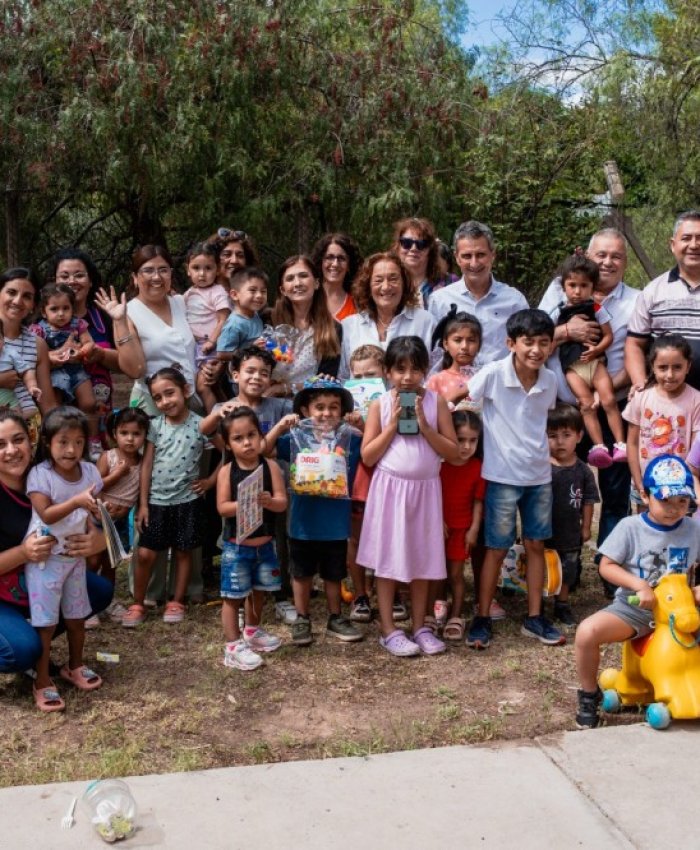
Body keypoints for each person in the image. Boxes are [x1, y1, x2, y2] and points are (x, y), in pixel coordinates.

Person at [540, 228, 637, 591]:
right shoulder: (559, 291)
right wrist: (566, 330)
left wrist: (608, 390)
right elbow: (533, 343)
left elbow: (637, 353)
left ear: (625, 263)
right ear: (587, 257)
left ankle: (611, 572)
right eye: (601, 255)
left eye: (616, 256)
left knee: (614, 493)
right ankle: (562, 570)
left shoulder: (636, 301)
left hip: (612, 405)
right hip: (561, 412)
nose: (607, 262)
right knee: (560, 492)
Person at [574, 454, 700, 729]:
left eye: (682, 501)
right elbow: (606, 566)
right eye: (665, 500)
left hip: (680, 613)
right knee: (587, 632)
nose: (674, 509)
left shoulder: (694, 529)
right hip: (635, 610)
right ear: (644, 494)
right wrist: (639, 585)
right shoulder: (630, 527)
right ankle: (588, 694)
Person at [466, 309, 565, 650]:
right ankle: (481, 616)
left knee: (536, 545)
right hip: (501, 476)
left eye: (543, 343)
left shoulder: (550, 380)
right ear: (511, 343)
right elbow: (460, 402)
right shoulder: (493, 374)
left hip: (539, 477)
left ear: (551, 345)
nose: (536, 350)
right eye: (528, 342)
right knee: (496, 548)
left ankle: (535, 616)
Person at [357, 336, 459, 657]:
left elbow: (454, 453)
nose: (407, 377)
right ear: (387, 371)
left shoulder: (436, 402)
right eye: (400, 370)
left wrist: (427, 427)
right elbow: (368, 456)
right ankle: (388, 629)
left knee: (422, 558)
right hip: (390, 491)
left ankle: (420, 626)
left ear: (426, 371)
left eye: (415, 370)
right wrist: (391, 426)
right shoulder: (381, 404)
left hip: (426, 492)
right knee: (388, 561)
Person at [0, 411, 109, 684]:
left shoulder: (50, 474)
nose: (12, 451)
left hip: (41, 574)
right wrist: (23, 553)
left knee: (99, 591)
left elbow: (88, 516)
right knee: (22, 650)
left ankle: (43, 645)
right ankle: (26, 646)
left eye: (18, 440)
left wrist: (98, 538)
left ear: (33, 440)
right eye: (0, 444)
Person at [123, 368, 220, 627]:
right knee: (145, 554)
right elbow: (146, 466)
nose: (165, 401)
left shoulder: (200, 424)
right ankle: (138, 603)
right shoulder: (154, 427)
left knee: (183, 552)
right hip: (155, 502)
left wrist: (210, 481)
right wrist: (142, 504)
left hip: (187, 501)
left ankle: (177, 600)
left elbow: (228, 452)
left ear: (185, 391)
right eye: (158, 397)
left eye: (170, 393)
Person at [25, 407, 104, 711]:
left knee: (76, 617)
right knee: (45, 625)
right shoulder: (40, 474)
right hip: (45, 559)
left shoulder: (91, 472)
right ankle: (42, 680)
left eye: (79, 442)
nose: (72, 450)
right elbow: (46, 513)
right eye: (63, 442)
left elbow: (93, 510)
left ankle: (75, 666)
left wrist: (95, 513)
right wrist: (76, 501)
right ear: (47, 442)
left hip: (74, 558)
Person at [275, 376, 363, 645]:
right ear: (305, 411)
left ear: (343, 411)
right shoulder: (294, 438)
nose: (326, 413)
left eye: (334, 407)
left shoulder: (350, 438)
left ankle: (335, 617)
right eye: (319, 407)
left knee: (334, 573)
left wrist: (362, 424)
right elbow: (265, 450)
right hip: (302, 521)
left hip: (336, 523)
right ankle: (302, 618)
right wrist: (280, 426)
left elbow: (373, 447)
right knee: (301, 573)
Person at [217, 407, 287, 671]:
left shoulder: (270, 466)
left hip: (265, 545)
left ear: (261, 436)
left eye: (252, 435)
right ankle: (233, 646)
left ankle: (252, 631)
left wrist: (270, 501)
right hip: (237, 547)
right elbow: (222, 508)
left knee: (260, 590)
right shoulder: (227, 471)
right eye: (238, 438)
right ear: (228, 443)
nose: (247, 442)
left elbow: (282, 503)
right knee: (232, 595)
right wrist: (243, 503)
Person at [47, 248, 145, 428]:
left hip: (99, 419)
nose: (72, 281)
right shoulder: (41, 323)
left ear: (90, 281)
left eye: (79, 275)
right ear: (55, 281)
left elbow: (133, 368)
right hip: (56, 422)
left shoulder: (105, 317)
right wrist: (51, 358)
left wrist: (100, 354)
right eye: (64, 276)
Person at [549, 254, 627, 468]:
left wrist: (596, 350)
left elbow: (608, 336)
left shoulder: (596, 309)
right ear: (563, 286)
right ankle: (600, 446)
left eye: (584, 286)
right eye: (572, 285)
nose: (577, 291)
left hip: (596, 364)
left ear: (592, 287)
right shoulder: (558, 312)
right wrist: (565, 331)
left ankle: (620, 444)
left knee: (609, 400)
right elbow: (547, 340)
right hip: (573, 369)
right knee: (586, 405)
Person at [428, 221, 528, 363]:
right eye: (467, 256)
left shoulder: (514, 301)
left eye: (480, 255)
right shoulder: (439, 301)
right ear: (457, 257)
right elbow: (434, 354)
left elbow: (525, 348)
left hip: (499, 383)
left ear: (493, 255)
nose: (474, 263)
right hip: (455, 383)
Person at [626, 211, 700, 393]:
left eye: (699, 238)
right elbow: (634, 344)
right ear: (673, 245)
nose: (694, 245)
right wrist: (640, 384)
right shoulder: (653, 291)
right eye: (686, 238)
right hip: (666, 403)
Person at [89, 406, 150, 625]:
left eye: (136, 434)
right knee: (93, 559)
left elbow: (139, 490)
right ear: (115, 434)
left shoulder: (143, 462)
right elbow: (95, 486)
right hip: (100, 516)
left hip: (121, 522)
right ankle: (87, 605)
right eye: (124, 433)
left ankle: (107, 602)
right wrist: (117, 474)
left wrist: (128, 508)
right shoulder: (109, 457)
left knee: (111, 562)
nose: (130, 439)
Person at [624, 334, 700, 507]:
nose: (670, 375)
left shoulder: (696, 401)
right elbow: (632, 443)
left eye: (677, 367)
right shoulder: (641, 398)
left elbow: (697, 449)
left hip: (681, 489)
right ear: (652, 367)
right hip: (646, 484)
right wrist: (638, 480)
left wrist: (687, 483)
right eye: (663, 367)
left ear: (688, 366)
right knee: (647, 530)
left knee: (681, 532)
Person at [30, 283, 101, 459]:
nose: (61, 313)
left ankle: (93, 441)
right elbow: (35, 353)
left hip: (76, 371)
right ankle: (56, 444)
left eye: (65, 308)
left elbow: (89, 342)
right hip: (54, 374)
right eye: (54, 309)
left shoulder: (78, 325)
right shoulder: (39, 329)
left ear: (72, 308)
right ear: (44, 312)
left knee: (89, 404)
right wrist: (52, 356)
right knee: (56, 411)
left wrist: (83, 351)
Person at [339, 252, 435, 381]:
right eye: (378, 280)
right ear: (368, 285)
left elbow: (432, 377)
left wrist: (405, 401)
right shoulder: (350, 326)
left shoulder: (425, 322)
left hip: (411, 400)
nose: (386, 287)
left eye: (393, 279)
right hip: (361, 401)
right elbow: (343, 377)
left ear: (404, 282)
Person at [545, 404, 599, 628]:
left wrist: (585, 527)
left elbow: (588, 500)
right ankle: (537, 604)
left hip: (569, 533)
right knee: (542, 566)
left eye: (566, 435)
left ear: (579, 436)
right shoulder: (541, 467)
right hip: (543, 531)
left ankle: (562, 604)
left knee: (567, 570)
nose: (559, 441)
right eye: (552, 436)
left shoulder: (583, 470)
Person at [344, 344, 386, 622]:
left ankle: (390, 593)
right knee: (355, 536)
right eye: (357, 377)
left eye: (370, 375)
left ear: (385, 374)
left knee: (387, 534)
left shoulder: (393, 402)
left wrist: (365, 426)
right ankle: (360, 594)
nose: (363, 382)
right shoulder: (344, 406)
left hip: (385, 476)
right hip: (356, 477)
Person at [438, 410, 485, 642]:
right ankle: (435, 610)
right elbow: (431, 495)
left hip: (462, 530)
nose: (466, 446)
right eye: (460, 439)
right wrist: (437, 520)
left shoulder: (477, 467)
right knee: (436, 573)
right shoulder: (438, 465)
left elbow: (478, 501)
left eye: (472, 440)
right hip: (437, 528)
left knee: (456, 574)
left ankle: (456, 615)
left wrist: (474, 529)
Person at [269, 256, 342, 394]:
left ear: (316, 283)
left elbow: (325, 381)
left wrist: (284, 388)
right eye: (290, 279)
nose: (297, 283)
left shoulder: (332, 329)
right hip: (266, 403)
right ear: (282, 290)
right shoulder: (269, 322)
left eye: (303, 276)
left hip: (308, 405)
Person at [0, 268, 57, 436]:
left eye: (27, 296)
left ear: (33, 306)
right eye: (11, 292)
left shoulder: (38, 344)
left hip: (24, 431)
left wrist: (60, 432)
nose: (17, 301)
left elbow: (47, 402)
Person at [183, 242, 231, 412]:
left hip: (211, 345)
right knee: (214, 387)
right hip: (196, 347)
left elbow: (223, 319)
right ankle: (232, 417)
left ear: (217, 269)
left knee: (203, 387)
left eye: (208, 268)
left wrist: (212, 341)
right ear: (188, 270)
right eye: (196, 268)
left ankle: (215, 426)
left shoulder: (217, 291)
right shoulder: (188, 294)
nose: (202, 274)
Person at [426, 309, 482, 407]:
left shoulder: (485, 377)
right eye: (457, 340)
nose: (464, 346)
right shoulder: (436, 381)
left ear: (479, 345)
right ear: (446, 344)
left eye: (471, 340)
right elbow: (430, 416)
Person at [216, 268, 267, 363]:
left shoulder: (254, 314)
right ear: (235, 295)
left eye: (263, 291)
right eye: (253, 290)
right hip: (241, 375)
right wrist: (251, 348)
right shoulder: (234, 324)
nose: (259, 295)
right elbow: (222, 354)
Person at [391, 217, 445, 306]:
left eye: (421, 244)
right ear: (398, 247)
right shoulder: (388, 285)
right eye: (406, 243)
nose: (413, 249)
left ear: (430, 250)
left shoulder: (447, 283)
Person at [310, 232, 362, 321]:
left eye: (341, 258)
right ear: (321, 262)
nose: (335, 264)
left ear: (349, 265)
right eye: (329, 257)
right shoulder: (309, 299)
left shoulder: (358, 304)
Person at [0, 319, 42, 411]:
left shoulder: (10, 353)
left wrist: (32, 386)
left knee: (17, 417)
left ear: (3, 339)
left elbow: (26, 371)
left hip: (10, 401)